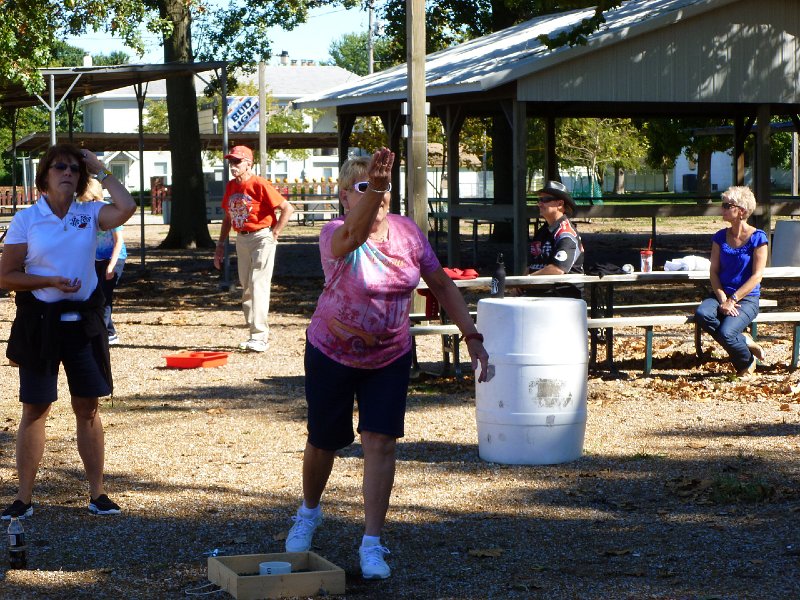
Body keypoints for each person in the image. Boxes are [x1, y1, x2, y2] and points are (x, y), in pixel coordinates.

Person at [284, 148, 489, 580]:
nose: (377, 194)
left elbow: (442, 286)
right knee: (325, 440)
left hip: (390, 354)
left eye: (383, 186)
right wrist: (374, 190)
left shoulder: (408, 234)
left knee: (381, 442)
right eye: (364, 187)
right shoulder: (333, 233)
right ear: (344, 197)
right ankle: (309, 512)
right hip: (331, 351)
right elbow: (355, 236)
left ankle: (372, 544)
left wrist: (472, 337)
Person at [0, 143, 137, 519]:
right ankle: (24, 498)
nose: (68, 173)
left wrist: (102, 168)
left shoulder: (90, 213)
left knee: (88, 407)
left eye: (75, 169)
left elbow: (126, 208)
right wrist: (49, 281)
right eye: (60, 167)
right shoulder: (27, 219)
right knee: (35, 407)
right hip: (39, 324)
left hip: (84, 324)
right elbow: (6, 275)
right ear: (45, 175)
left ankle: (97, 494)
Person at [213, 145, 294, 352]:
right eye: (231, 162)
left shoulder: (259, 184)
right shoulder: (231, 186)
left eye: (237, 162)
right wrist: (221, 244)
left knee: (258, 284)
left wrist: (275, 233)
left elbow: (287, 208)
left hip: (261, 237)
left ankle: (259, 336)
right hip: (241, 238)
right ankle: (254, 331)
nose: (233, 166)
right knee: (246, 286)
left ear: (249, 163)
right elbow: (228, 217)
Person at [695, 186, 767, 377]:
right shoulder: (720, 237)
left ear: (741, 211)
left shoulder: (758, 238)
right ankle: (744, 343)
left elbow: (757, 277)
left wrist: (732, 299)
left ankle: (745, 363)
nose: (723, 209)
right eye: (723, 204)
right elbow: (714, 271)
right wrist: (722, 298)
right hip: (722, 294)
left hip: (747, 298)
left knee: (727, 333)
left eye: (727, 205)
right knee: (702, 314)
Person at [80, 178, 127, 345]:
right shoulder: (86, 212)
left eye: (85, 199)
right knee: (95, 294)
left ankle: (103, 333)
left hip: (114, 258)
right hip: (97, 258)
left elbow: (118, 242)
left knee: (105, 296)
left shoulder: (110, 211)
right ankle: (108, 331)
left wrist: (112, 266)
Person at [528, 180, 585, 298]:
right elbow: (531, 265)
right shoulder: (542, 231)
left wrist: (526, 282)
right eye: (539, 200)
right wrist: (520, 285)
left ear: (560, 204)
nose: (539, 204)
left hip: (561, 298)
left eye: (545, 200)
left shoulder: (566, 233)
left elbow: (557, 269)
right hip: (537, 295)